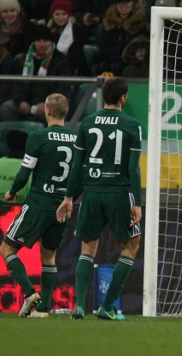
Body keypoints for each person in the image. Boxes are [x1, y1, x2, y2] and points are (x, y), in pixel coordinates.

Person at [56, 77, 143, 321]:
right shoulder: (132, 124)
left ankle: (80, 306)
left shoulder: (86, 123)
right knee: (131, 245)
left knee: (88, 246)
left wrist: (68, 197)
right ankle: (106, 307)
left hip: (92, 193)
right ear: (123, 97)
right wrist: (136, 202)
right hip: (119, 193)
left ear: (104, 96)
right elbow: (133, 168)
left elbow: (77, 166)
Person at [0, 93, 76, 318]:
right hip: (62, 205)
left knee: (7, 249)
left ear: (47, 111)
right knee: (49, 255)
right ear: (66, 112)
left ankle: (29, 294)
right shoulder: (75, 139)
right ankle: (43, 309)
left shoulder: (38, 137)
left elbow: (25, 172)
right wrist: (69, 199)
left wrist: (12, 192)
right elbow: (80, 177)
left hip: (39, 203)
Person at [0, 24, 72, 122]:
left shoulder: (61, 61)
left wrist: (47, 104)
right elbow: (16, 85)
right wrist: (21, 101)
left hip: (50, 102)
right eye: (38, 41)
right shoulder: (21, 60)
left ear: (51, 42)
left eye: (45, 41)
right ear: (33, 42)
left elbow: (63, 87)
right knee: (7, 107)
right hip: (27, 102)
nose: (42, 44)